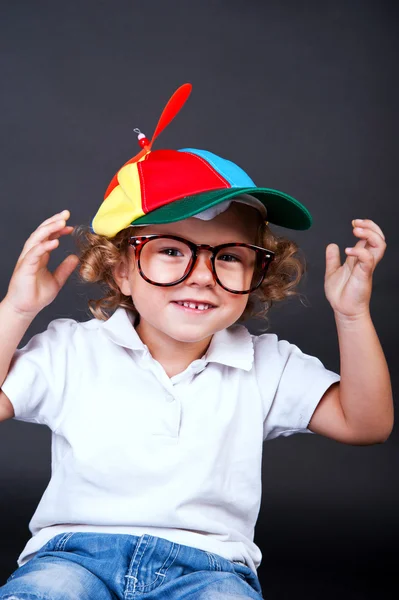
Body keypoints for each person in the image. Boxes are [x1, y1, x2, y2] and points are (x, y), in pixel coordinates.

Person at [0, 84, 393, 600]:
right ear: (121, 270)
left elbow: (367, 424)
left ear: (258, 272)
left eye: (229, 255)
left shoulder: (267, 364)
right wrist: (17, 309)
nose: (201, 275)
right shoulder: (71, 350)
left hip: (209, 568)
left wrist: (352, 314)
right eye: (171, 250)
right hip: (73, 555)